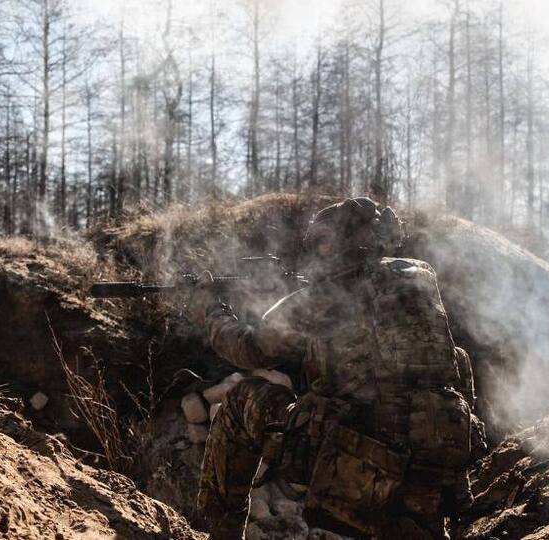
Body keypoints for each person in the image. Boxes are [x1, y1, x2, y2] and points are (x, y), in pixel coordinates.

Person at [188, 198, 477, 539]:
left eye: (323, 243)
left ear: (338, 243)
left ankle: (220, 532)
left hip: (356, 465)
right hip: (431, 475)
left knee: (241, 400)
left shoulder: (327, 295)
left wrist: (211, 310)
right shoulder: (420, 280)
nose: (318, 254)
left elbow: (249, 350)